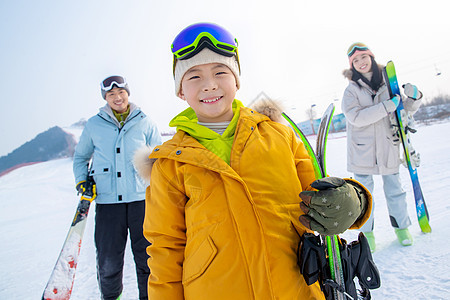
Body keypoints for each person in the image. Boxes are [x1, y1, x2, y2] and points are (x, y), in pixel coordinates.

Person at [134, 23, 372, 300]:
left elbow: (322, 194)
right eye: (194, 76)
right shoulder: (169, 164)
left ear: (236, 80)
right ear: (180, 91)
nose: (209, 84)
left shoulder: (279, 136)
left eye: (220, 72)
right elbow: (165, 248)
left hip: (296, 289)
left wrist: (353, 200)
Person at [73, 75, 161, 300]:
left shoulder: (145, 122)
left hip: (141, 201)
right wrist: (82, 180)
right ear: (106, 98)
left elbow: (160, 159)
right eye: (111, 94)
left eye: (120, 92)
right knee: (109, 262)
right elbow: (80, 157)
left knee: (147, 260)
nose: (117, 97)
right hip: (108, 204)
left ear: (128, 93)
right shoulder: (94, 125)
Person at [341, 42, 423, 251]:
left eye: (363, 57)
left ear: (371, 57)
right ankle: (366, 235)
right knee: (363, 197)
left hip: (388, 146)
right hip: (362, 151)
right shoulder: (351, 90)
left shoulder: (388, 83)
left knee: (395, 190)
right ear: (351, 65)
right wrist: (387, 106)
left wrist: (415, 98)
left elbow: (404, 108)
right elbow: (356, 117)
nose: (361, 63)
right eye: (355, 60)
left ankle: (402, 229)